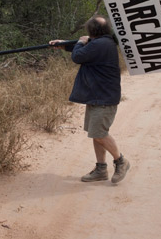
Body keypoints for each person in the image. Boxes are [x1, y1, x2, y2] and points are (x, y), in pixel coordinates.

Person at [50, 15, 130, 184]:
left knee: (99, 134)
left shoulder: (101, 44)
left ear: (91, 30)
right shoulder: (104, 42)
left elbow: (79, 56)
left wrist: (79, 42)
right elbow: (86, 49)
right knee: (96, 134)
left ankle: (121, 161)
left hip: (104, 97)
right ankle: (101, 169)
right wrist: (63, 44)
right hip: (97, 96)